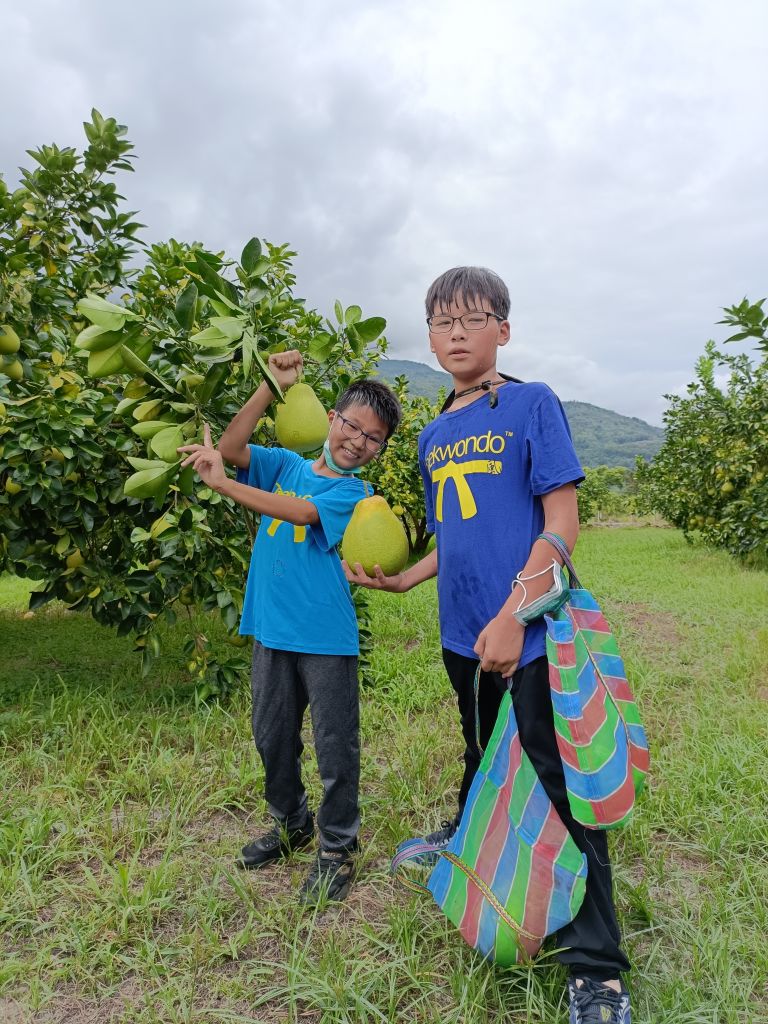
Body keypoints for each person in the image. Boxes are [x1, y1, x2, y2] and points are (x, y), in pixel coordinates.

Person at [344, 268, 632, 1022]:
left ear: (502, 329)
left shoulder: (533, 403)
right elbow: (452, 536)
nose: (456, 333)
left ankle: (597, 969)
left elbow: (561, 524)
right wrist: (405, 580)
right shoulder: (433, 435)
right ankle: (473, 844)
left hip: (524, 632)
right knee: (481, 751)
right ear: (429, 338)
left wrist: (514, 615)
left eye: (472, 319)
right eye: (442, 322)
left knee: (557, 784)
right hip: (462, 635)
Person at [179, 350, 401, 904]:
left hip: (325, 636)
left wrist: (223, 486)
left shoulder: (356, 496)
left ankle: (337, 846)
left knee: (335, 747)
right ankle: (291, 822)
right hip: (272, 628)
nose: (358, 441)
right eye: (352, 425)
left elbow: (298, 514)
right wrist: (271, 385)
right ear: (332, 418)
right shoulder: (286, 465)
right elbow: (232, 448)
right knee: (271, 737)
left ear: (379, 450)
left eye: (373, 439)